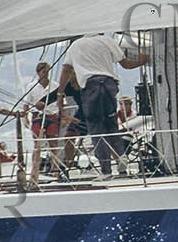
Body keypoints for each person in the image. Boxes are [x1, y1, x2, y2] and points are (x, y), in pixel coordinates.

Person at [61, 33, 150, 178]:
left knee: (97, 128)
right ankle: (121, 158)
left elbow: (66, 70)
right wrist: (142, 61)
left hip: (91, 87)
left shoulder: (75, 45)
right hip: (109, 85)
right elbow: (126, 64)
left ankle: (106, 170)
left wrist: (60, 94)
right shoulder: (108, 41)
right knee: (111, 125)